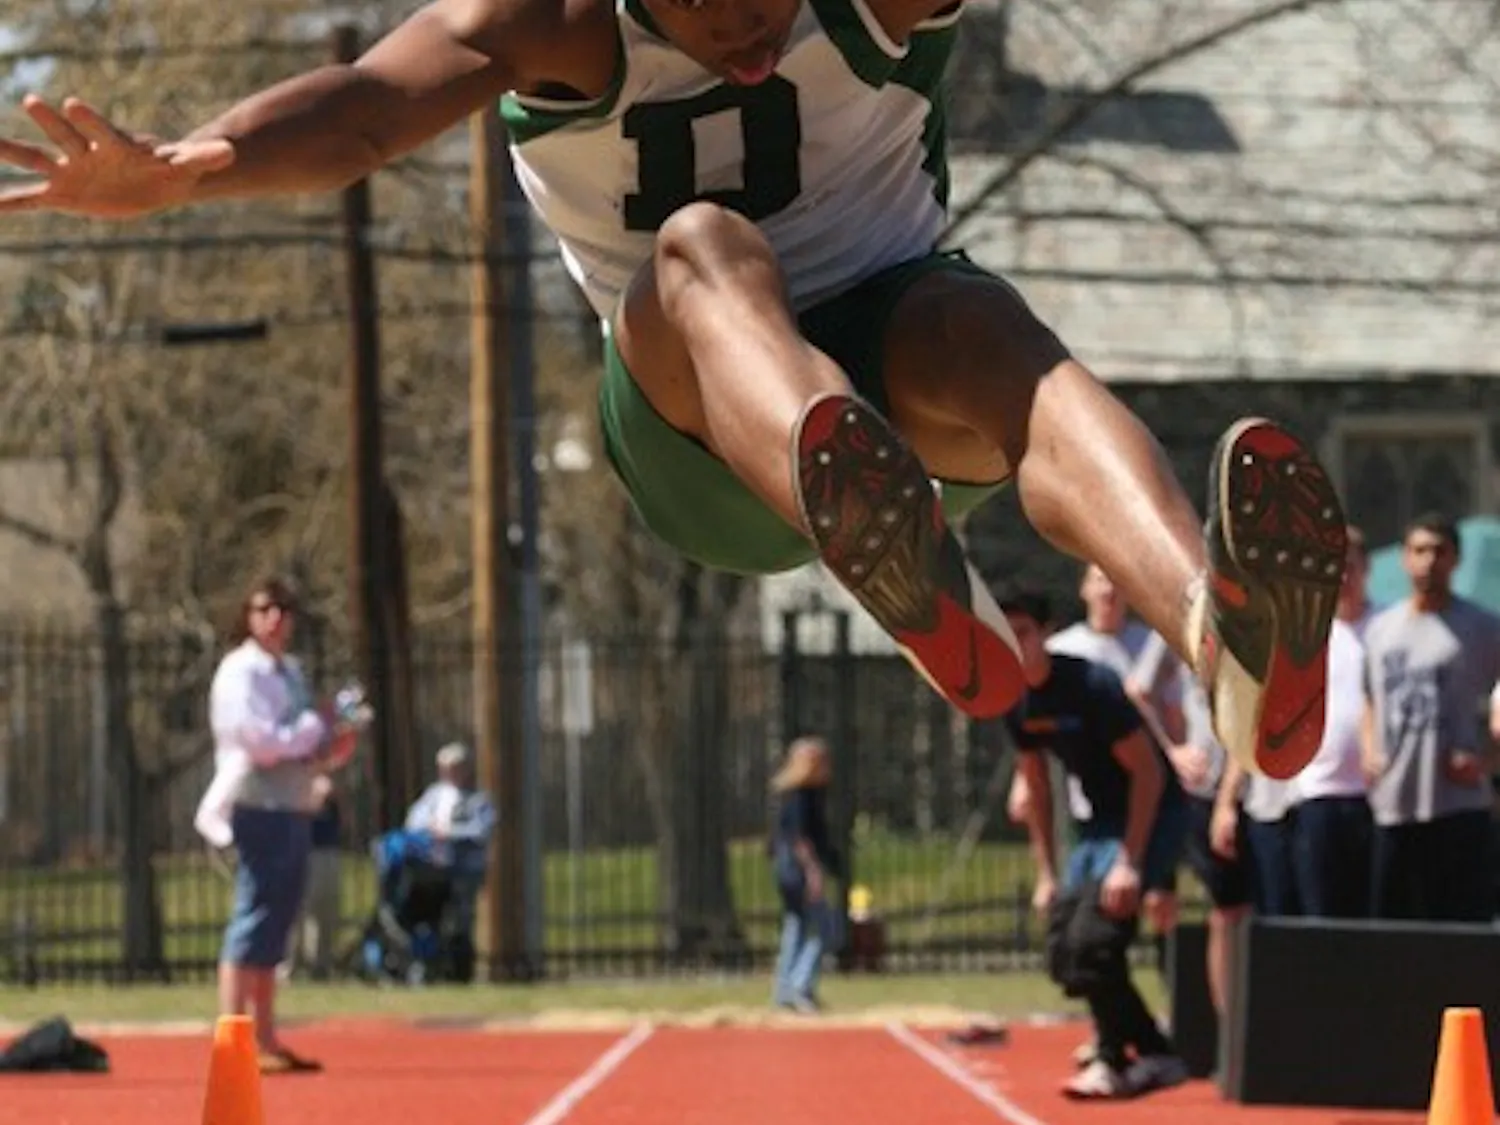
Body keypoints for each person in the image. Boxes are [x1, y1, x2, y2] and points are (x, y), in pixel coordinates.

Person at [0, 0, 1347, 779]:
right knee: (708, 245)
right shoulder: (553, 19)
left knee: (985, 326)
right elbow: (361, 105)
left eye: (773, 14)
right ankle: (864, 513)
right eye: (724, 20)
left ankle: (1223, 645)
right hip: (699, 424)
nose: (759, 51)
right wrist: (192, 162)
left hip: (898, 364)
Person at [995, 592, 1189, 1099]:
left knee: (1098, 942)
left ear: (1046, 634)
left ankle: (1111, 1057)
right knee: (1066, 950)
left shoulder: (1090, 686)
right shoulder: (1015, 699)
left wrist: (1131, 861)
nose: (1016, 647)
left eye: (1024, 635)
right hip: (1098, 820)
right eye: (1005, 636)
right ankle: (1155, 1050)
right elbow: (1035, 786)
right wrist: (1045, 872)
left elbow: (1148, 774)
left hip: (1155, 810)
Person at [206, 575, 358, 1073]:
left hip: (292, 806)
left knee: (278, 922)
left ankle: (266, 1037)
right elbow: (261, 741)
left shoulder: (290, 672)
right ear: (249, 617)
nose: (274, 619)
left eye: (283, 610)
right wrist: (312, 728)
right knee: (253, 915)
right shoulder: (239, 672)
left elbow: (304, 744)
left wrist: (331, 743)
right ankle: (232, 1036)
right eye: (264, 609)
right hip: (257, 805)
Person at [1361, 513, 1500, 923]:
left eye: (1439, 551)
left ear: (1455, 559)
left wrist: (1488, 761)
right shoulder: (1381, 629)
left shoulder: (1483, 629)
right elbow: (1369, 699)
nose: (1428, 561)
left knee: (1459, 935)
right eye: (1419, 551)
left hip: (1458, 806)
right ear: (1405, 558)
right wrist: (1370, 750)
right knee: (1393, 937)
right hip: (1395, 804)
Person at [405, 742, 497, 981]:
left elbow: (481, 831)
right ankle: (428, 967)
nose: (449, 773)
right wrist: (429, 830)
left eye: (455, 768)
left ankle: (460, 972)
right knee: (429, 919)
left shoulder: (478, 799)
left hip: (463, 869)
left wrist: (450, 832)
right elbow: (414, 821)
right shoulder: (433, 795)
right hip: (433, 869)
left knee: (461, 921)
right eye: (445, 768)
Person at [767, 735, 841, 1013]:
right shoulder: (803, 798)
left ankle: (783, 991)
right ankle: (800, 986)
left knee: (795, 927)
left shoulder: (790, 796)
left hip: (786, 870)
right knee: (823, 930)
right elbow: (800, 839)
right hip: (799, 869)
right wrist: (813, 872)